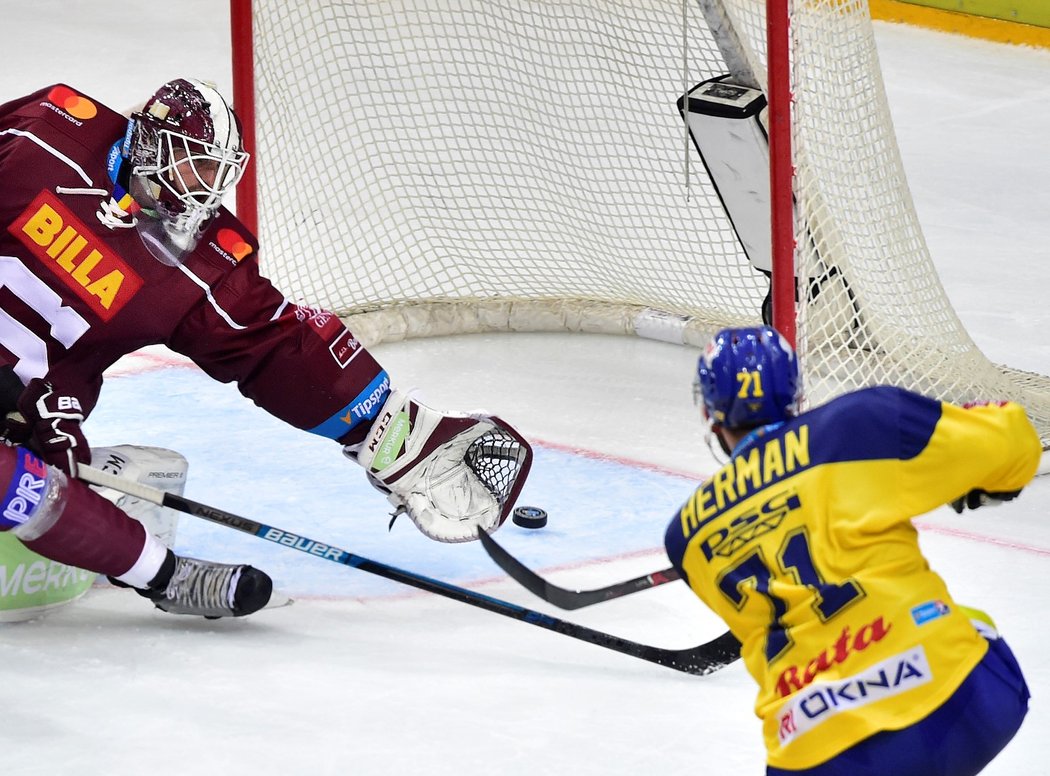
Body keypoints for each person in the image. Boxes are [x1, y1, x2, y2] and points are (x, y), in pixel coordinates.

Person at [0, 79, 532, 620]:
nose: (207, 190)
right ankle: (145, 554)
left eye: (218, 173)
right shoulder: (50, 134)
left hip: (31, 414)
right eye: (196, 166)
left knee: (20, 489)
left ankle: (141, 550)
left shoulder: (199, 260)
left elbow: (271, 342)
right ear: (150, 144)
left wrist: (384, 427)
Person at [664, 326, 1039, 776]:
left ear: (709, 411)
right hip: (962, 706)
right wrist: (982, 475)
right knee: (972, 626)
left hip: (814, 756)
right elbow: (1016, 446)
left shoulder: (685, 538)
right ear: (794, 392)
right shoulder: (862, 423)